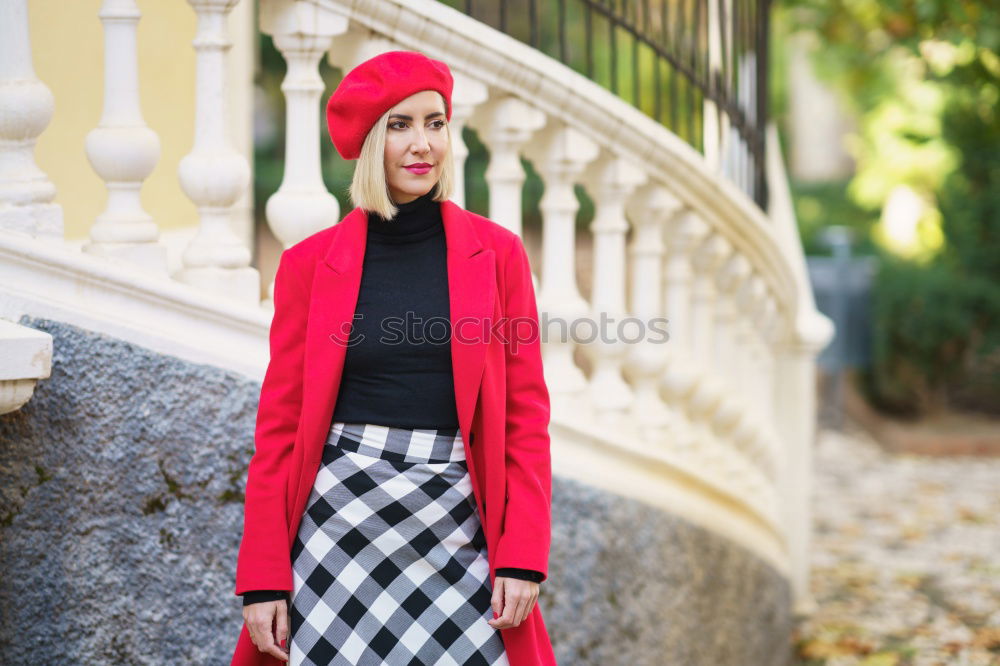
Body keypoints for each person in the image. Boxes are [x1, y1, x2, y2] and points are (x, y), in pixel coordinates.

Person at [230, 50, 556, 666]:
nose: (422, 144)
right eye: (400, 125)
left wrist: (522, 554)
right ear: (370, 141)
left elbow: (524, 416)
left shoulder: (499, 255)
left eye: (435, 123)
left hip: (460, 522)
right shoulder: (308, 265)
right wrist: (265, 576)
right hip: (339, 524)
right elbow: (278, 429)